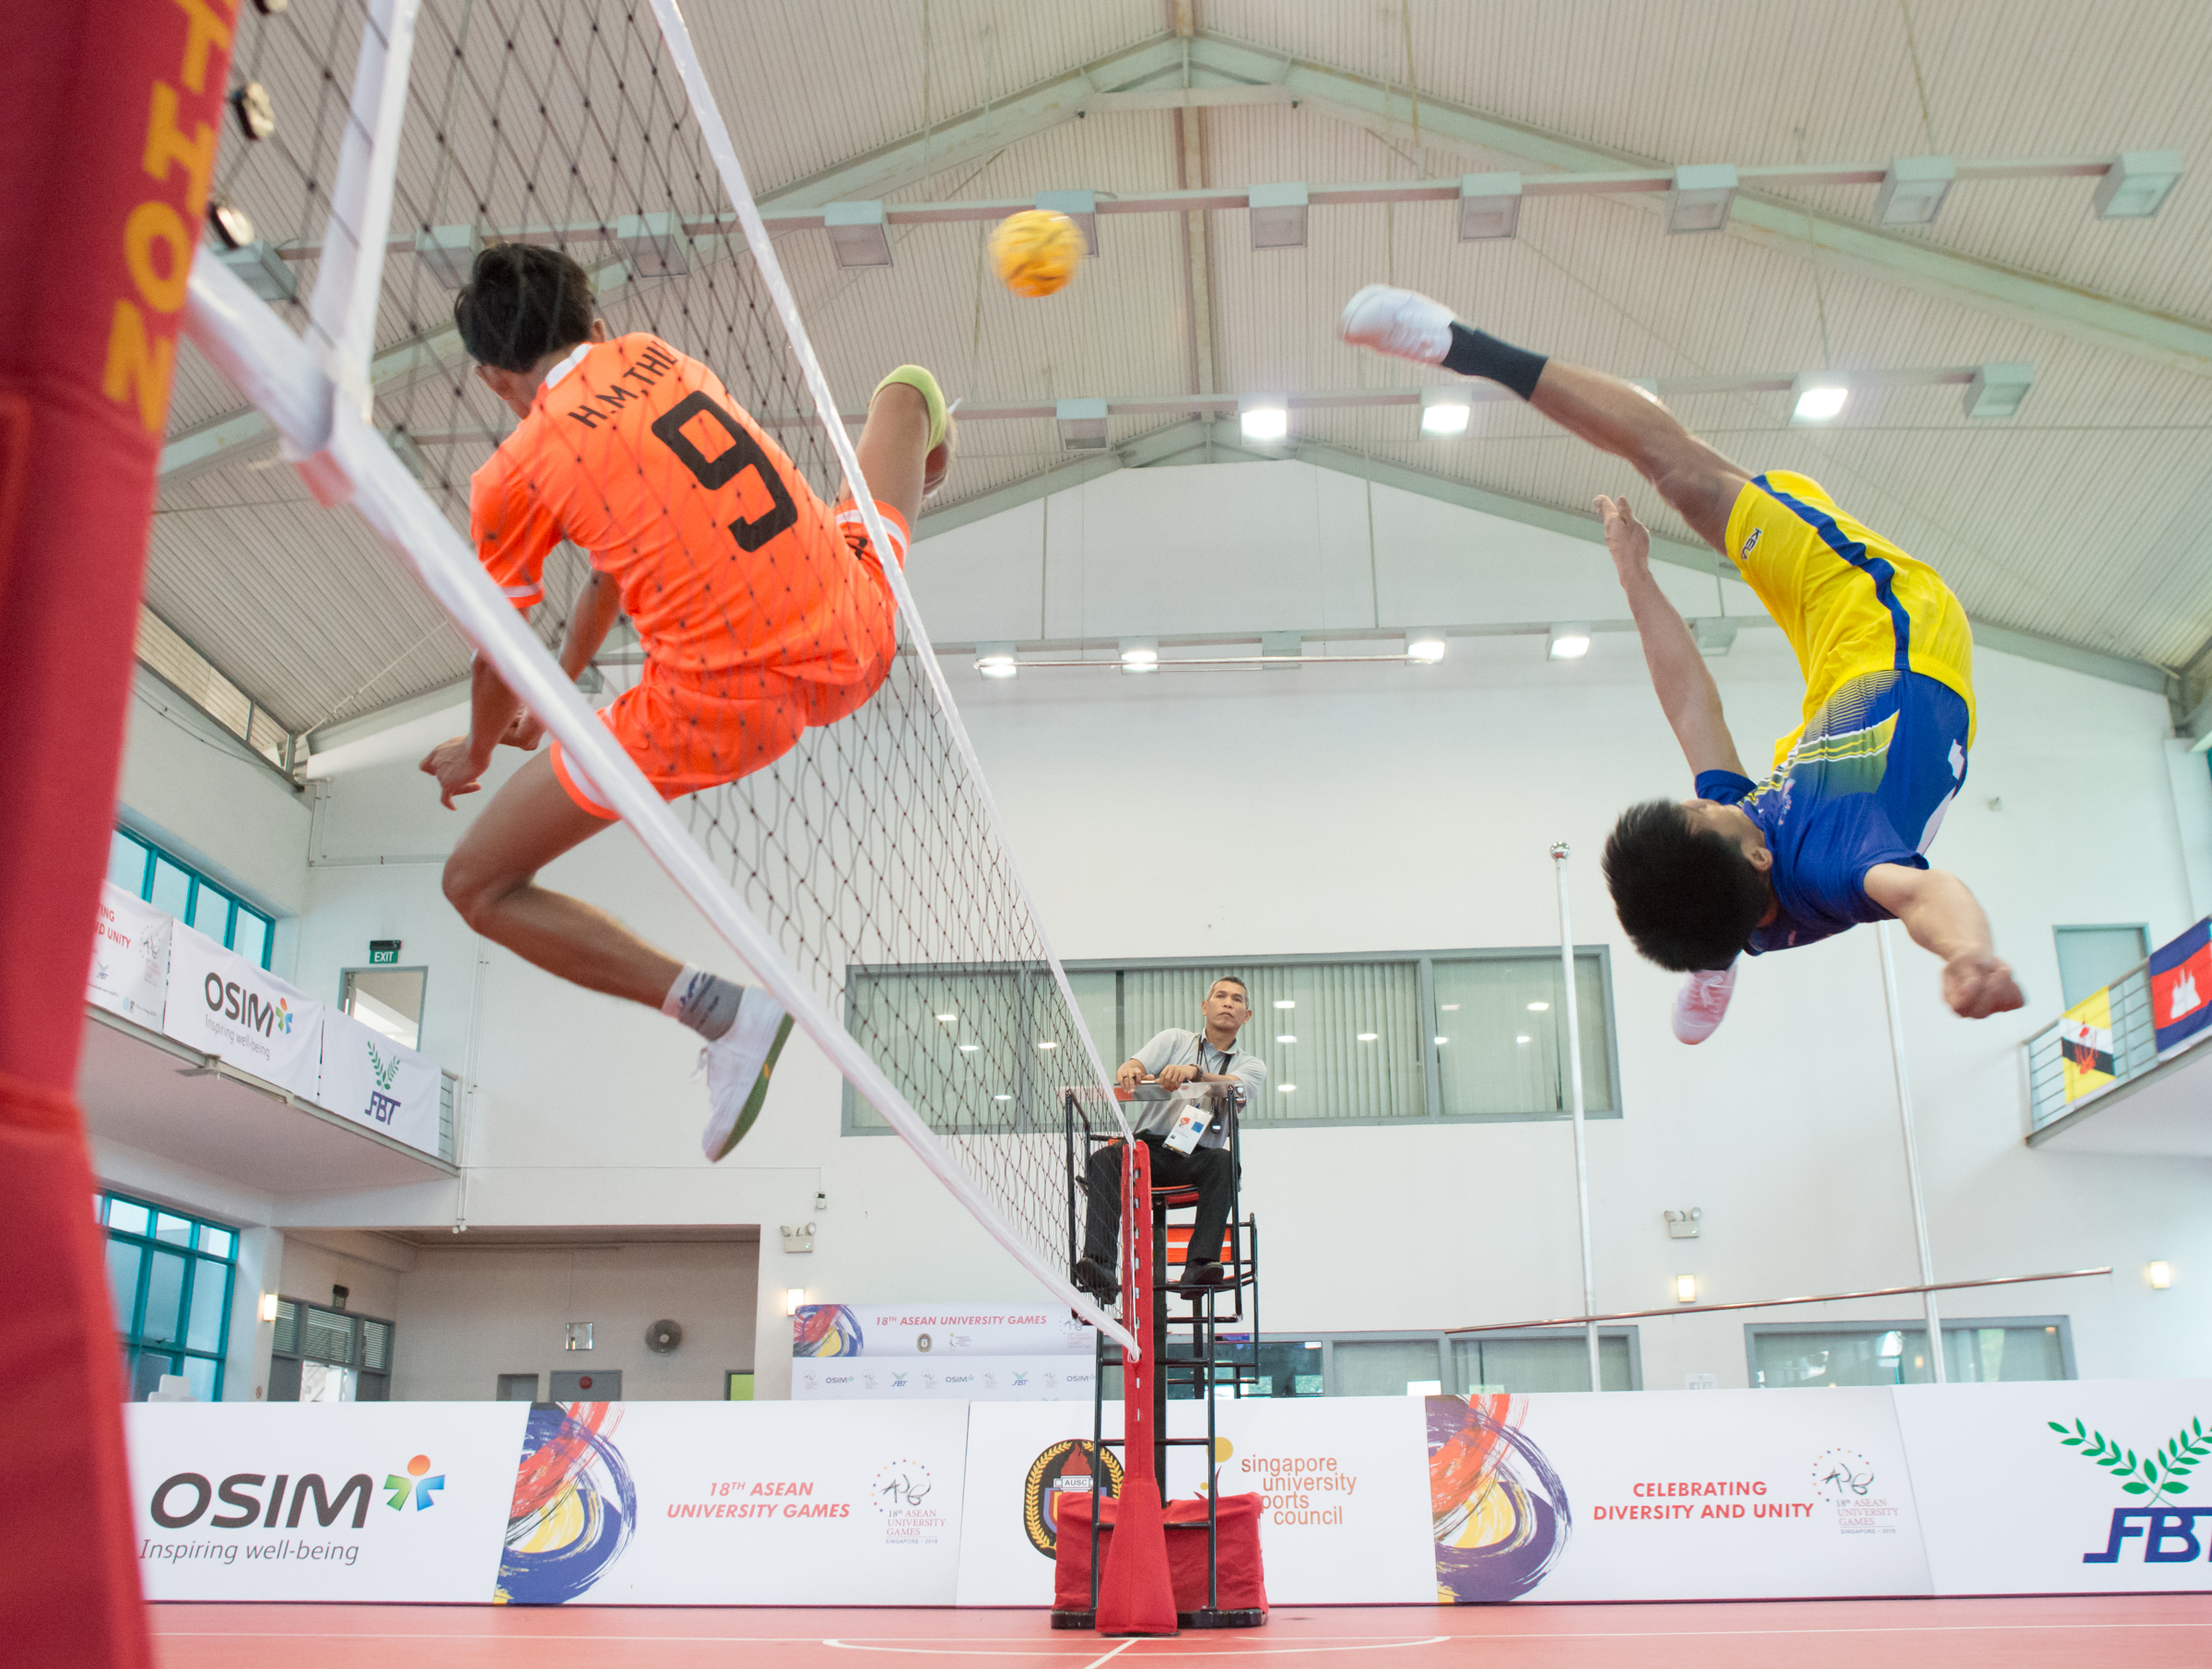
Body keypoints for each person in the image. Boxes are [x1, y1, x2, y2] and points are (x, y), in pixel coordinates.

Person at [1339, 284, 2024, 1042]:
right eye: (1705, 811)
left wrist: (1635, 575)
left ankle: (1718, 959)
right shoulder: (1842, 862)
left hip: (1829, 695)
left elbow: (1691, 707)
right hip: (1888, 623)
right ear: (1758, 853)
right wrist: (1968, 952)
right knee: (1679, 470)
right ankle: (1460, 344)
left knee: (1698, 474)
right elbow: (1927, 895)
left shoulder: (1745, 883)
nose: (1702, 799)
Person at [418, 244, 952, 1157]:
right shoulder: (656, 357)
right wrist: (550, 707)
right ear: (594, 324)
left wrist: (477, 748)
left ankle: (726, 1016)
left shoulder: (516, 471)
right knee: (903, 392)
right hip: (855, 623)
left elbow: (497, 658)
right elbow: (609, 576)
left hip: (720, 702)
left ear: (494, 379)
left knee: (474, 883)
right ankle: (928, 444)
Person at [1073, 977, 1266, 1300]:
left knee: (1225, 1162)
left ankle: (1199, 1265)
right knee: (1104, 1158)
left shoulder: (1252, 1065)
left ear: (1246, 1015)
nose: (1228, 1003)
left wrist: (1195, 1073)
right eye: (1220, 996)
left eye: (1236, 999)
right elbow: (1133, 1065)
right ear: (1205, 1007)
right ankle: (1101, 1265)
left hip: (1197, 1157)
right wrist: (1131, 1070)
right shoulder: (1175, 1040)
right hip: (1149, 1150)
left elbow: (1236, 1087)